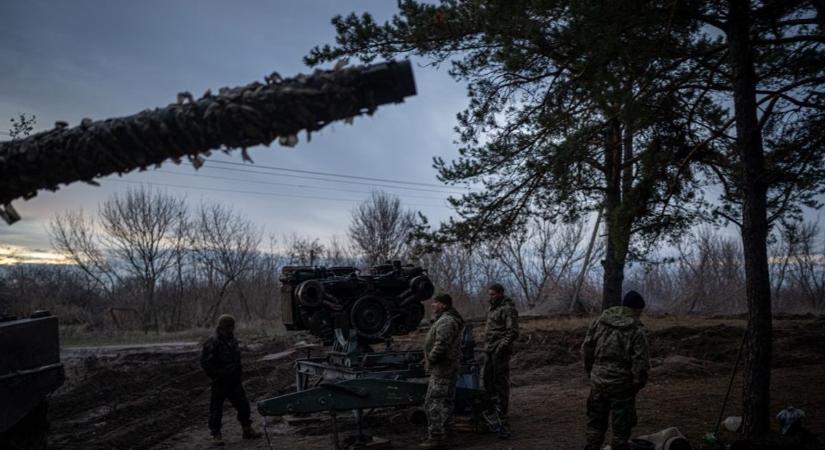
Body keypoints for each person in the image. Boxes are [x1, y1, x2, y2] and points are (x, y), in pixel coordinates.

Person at [580, 290, 651, 450]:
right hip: (622, 386)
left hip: (598, 381)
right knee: (621, 429)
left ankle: (592, 446)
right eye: (640, 311)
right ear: (636, 309)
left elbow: (586, 349)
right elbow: (641, 363)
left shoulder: (599, 322)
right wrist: (637, 384)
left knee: (595, 423)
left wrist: (592, 372)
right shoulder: (636, 330)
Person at [200, 314, 261, 445]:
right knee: (216, 409)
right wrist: (217, 375)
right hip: (220, 381)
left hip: (234, 380)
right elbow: (206, 363)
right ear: (221, 327)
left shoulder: (232, 340)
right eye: (228, 327)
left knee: (243, 405)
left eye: (231, 327)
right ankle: (216, 435)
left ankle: (247, 429)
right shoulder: (212, 342)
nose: (230, 330)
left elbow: (236, 359)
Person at [420, 293, 465, 449]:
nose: (433, 305)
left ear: (444, 305)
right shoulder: (446, 319)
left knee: (432, 402)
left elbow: (442, 344)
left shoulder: (446, 321)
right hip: (447, 366)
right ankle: (449, 433)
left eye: (436, 302)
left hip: (442, 368)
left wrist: (431, 358)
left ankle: (436, 437)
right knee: (446, 401)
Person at [482, 283, 518, 434]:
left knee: (500, 382)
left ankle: (502, 413)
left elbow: (513, 332)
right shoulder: (493, 308)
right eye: (489, 294)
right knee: (487, 379)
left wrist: (500, 347)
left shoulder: (507, 309)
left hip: (499, 351)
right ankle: (492, 409)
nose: (490, 297)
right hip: (490, 349)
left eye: (493, 294)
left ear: (501, 293)